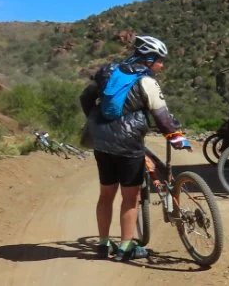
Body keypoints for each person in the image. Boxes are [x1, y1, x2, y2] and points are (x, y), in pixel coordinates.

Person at [80, 35, 191, 261]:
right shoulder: (147, 82)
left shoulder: (108, 72)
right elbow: (162, 117)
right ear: (149, 59)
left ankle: (103, 245)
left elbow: (86, 97)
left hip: (102, 143)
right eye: (160, 60)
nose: (162, 65)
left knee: (106, 194)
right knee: (130, 198)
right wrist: (177, 138)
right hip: (129, 145)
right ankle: (125, 248)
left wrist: (95, 122)